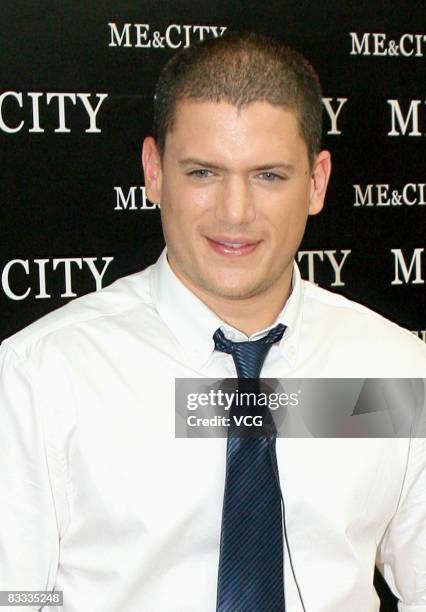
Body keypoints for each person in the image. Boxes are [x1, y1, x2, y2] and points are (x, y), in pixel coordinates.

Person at [0, 31, 425, 612]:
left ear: (318, 182)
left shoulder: (396, 369)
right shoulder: (41, 376)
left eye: (269, 175)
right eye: (203, 172)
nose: (235, 212)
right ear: (153, 171)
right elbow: (14, 595)